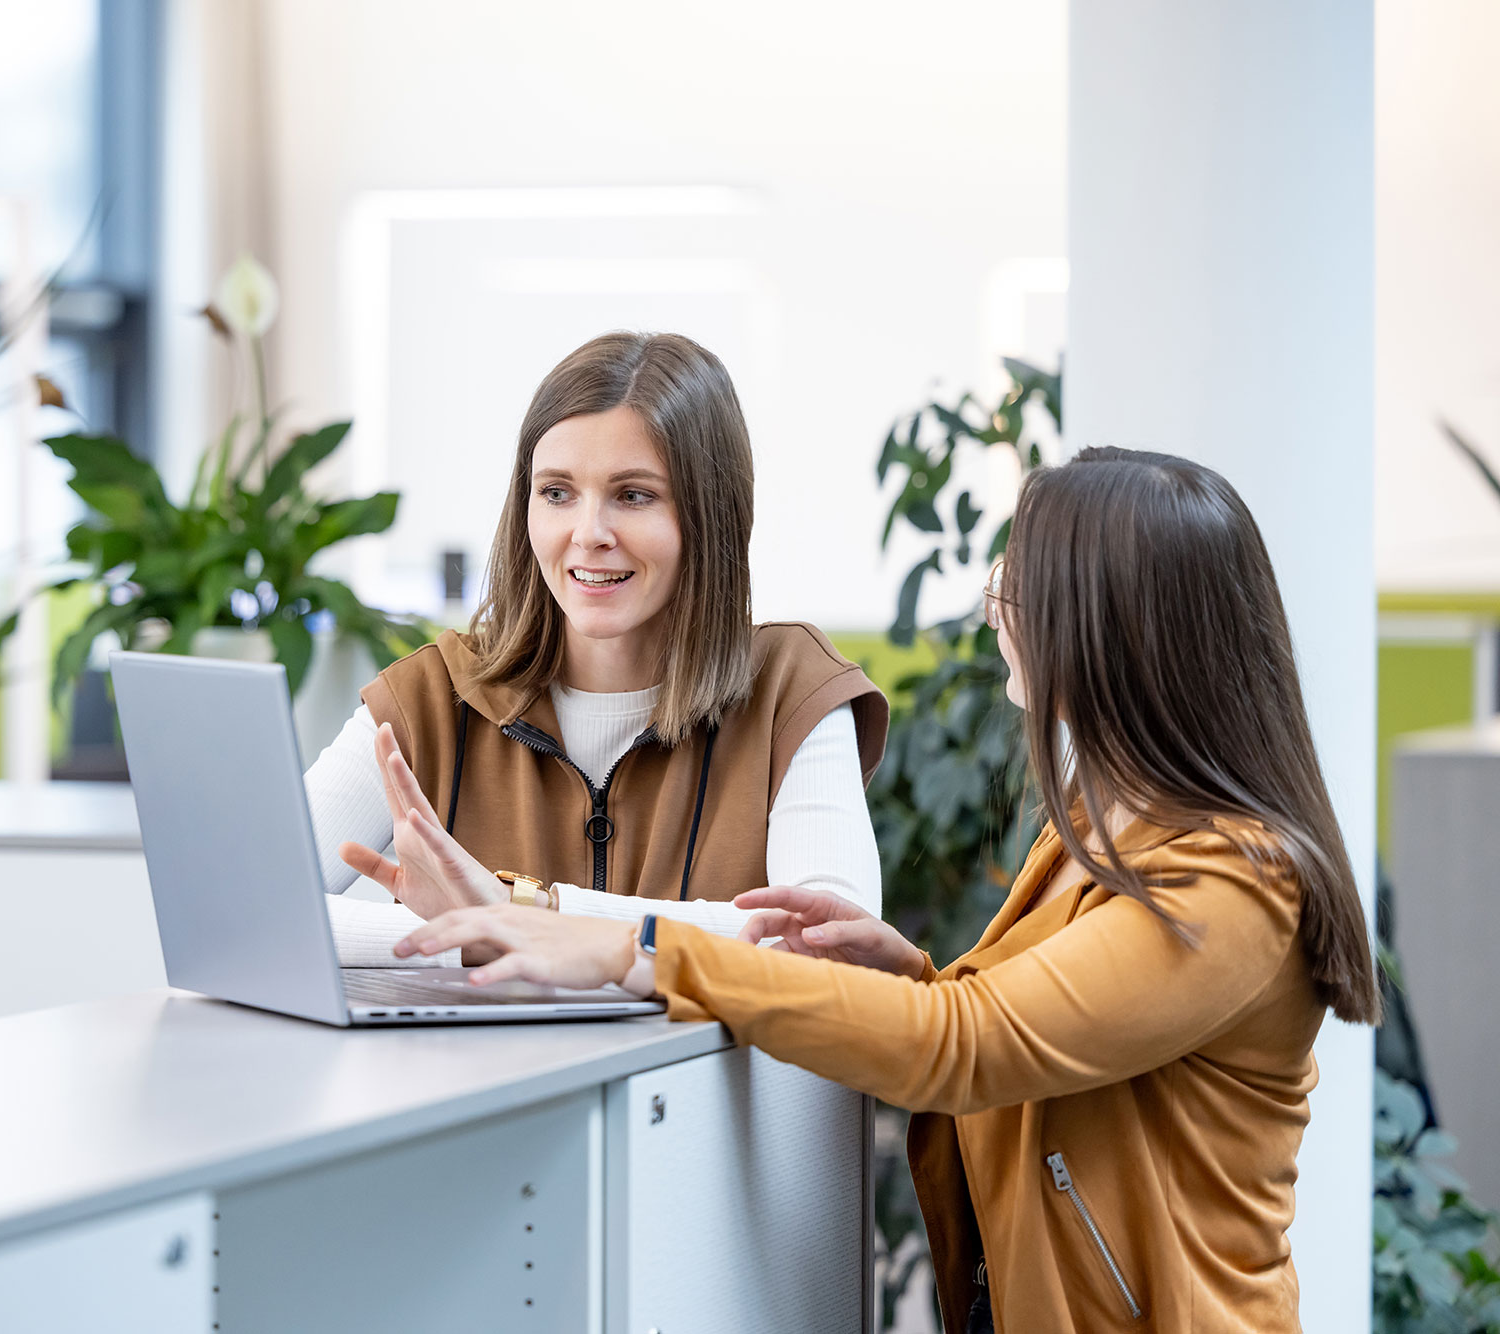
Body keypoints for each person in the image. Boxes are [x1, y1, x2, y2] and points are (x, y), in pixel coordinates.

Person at [393, 447, 1381, 1332]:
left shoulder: (1232, 880)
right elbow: (1031, 1034)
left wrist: (636, 951)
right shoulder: (1101, 826)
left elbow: (970, 1048)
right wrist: (909, 973)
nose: (995, 609)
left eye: (1019, 585)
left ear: (1110, 628)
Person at [307, 331, 889, 964]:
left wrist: (528, 915)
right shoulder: (429, 698)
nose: (588, 534)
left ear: (710, 512)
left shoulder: (792, 691)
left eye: (633, 495)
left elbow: (831, 947)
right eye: (556, 493)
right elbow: (250, 905)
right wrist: (468, 935)